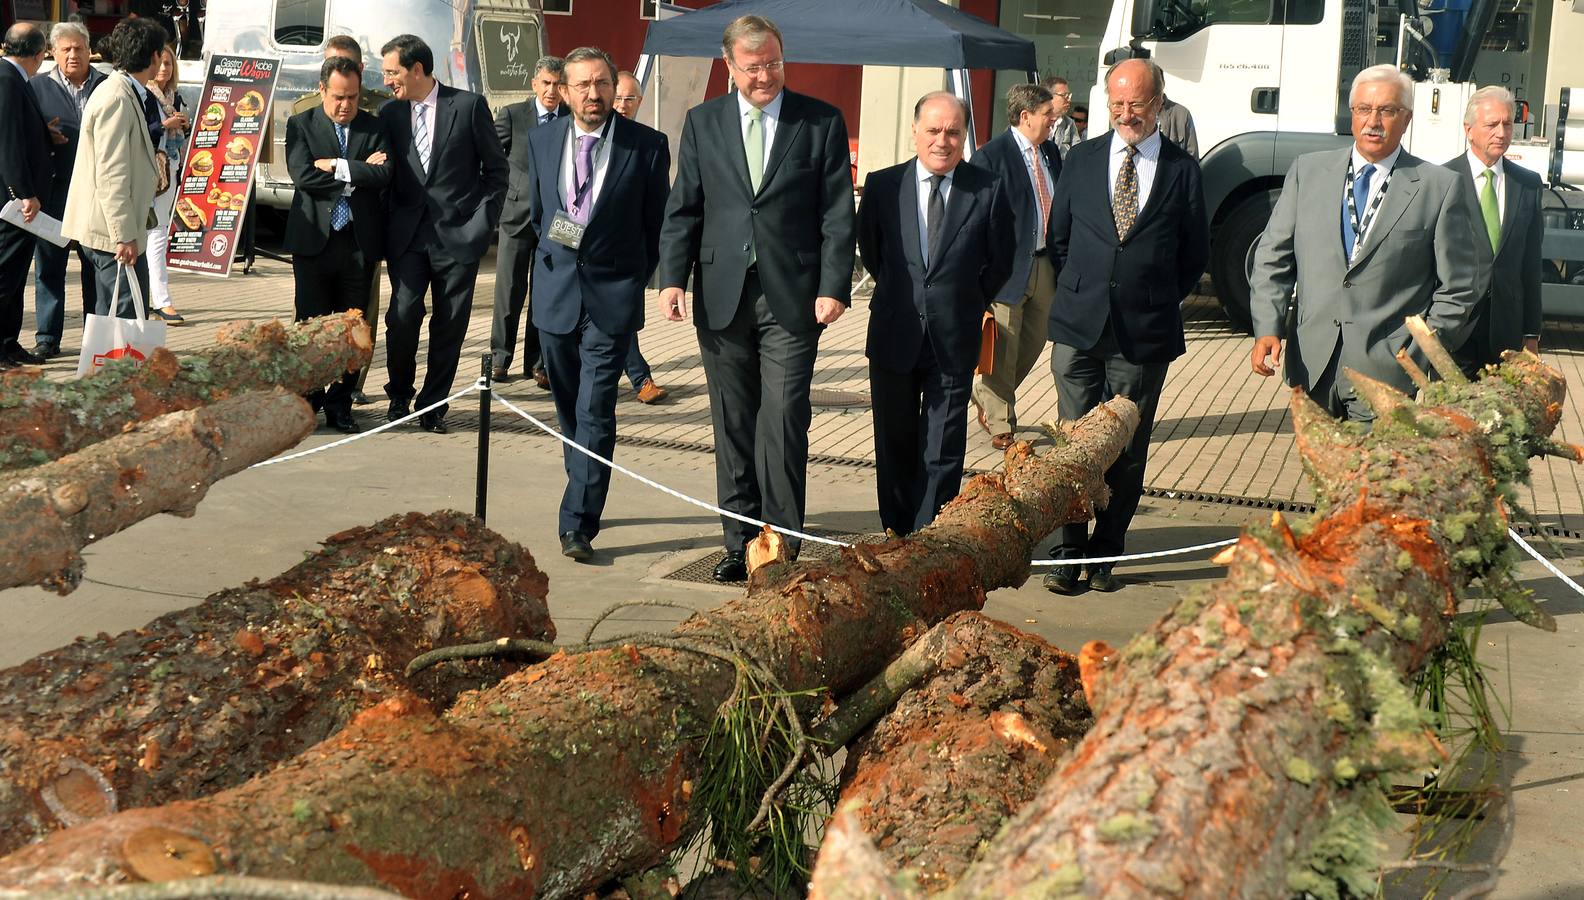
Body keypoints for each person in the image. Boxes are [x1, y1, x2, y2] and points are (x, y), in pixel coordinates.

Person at [658, 15, 856, 582]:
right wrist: (672, 278)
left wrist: (833, 286)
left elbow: (837, 213)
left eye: (773, 63)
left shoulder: (819, 122)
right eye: (753, 67)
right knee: (732, 420)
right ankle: (736, 538)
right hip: (722, 295)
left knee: (786, 417)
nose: (765, 75)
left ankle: (781, 540)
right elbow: (685, 207)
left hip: (792, 298)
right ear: (731, 68)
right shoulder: (703, 123)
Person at [1043, 58, 1209, 595]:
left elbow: (1192, 254)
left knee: (1127, 447)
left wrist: (1150, 294)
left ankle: (1106, 548)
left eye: (1136, 103)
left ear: (1159, 102)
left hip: (1143, 332)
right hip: (1078, 327)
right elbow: (1060, 237)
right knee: (1073, 442)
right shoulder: (1082, 160)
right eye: (1116, 104)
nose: (1125, 113)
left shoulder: (1183, 170)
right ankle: (1068, 550)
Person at [1249, 64, 1479, 422]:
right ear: (1351, 114)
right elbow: (1273, 258)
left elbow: (1460, 288)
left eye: (1387, 111)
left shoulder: (1439, 187)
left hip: (1386, 374)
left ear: (1406, 119)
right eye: (1364, 109)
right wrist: (1268, 326)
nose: (1374, 121)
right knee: (1320, 477)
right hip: (1312, 366)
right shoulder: (1307, 172)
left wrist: (1416, 353)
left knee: (1372, 479)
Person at [525, 47, 670, 560]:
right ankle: (583, 481)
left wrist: (634, 280)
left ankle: (578, 522)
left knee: (595, 407)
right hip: (556, 293)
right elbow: (543, 217)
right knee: (569, 408)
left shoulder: (647, 146)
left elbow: (657, 226)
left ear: (615, 88)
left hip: (612, 298)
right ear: (563, 92)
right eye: (582, 85)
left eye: (602, 84)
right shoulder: (541, 140)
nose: (593, 94)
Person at [858, 92, 1013, 534]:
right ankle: (896, 532)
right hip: (894, 332)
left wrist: (963, 299)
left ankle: (930, 538)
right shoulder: (883, 186)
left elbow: (1001, 259)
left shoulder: (986, 188)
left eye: (953, 131)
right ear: (914, 131)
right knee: (894, 443)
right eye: (933, 130)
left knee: (943, 447)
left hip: (955, 335)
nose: (942, 141)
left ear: (964, 136)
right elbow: (873, 252)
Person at [378, 33, 508, 434]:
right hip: (408, 238)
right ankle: (399, 395)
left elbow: (496, 173)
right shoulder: (390, 114)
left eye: (392, 72)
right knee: (402, 317)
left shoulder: (467, 107)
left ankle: (433, 405)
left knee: (449, 325)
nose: (386, 81)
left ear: (417, 69)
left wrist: (480, 226)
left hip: (458, 238)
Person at [284, 55, 391, 434]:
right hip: (314, 241)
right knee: (311, 326)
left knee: (351, 328)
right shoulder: (301, 125)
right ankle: (308, 398)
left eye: (352, 97)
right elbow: (303, 176)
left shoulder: (373, 127)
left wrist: (337, 165)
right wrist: (354, 176)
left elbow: (383, 174)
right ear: (322, 91)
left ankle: (341, 402)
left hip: (357, 244)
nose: (345, 106)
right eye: (338, 98)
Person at [971, 83, 1062, 451]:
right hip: (1006, 269)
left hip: (1044, 265)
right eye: (1047, 116)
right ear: (1025, 117)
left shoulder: (1052, 153)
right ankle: (1000, 423)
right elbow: (977, 219)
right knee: (1003, 345)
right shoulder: (992, 157)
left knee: (1034, 340)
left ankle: (987, 394)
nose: (1054, 121)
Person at [62, 17, 164, 322]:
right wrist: (123, 236)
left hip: (117, 231)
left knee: (120, 318)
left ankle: (111, 370)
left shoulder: (126, 92)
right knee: (124, 322)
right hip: (112, 234)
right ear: (155, 56)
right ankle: (118, 372)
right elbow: (111, 174)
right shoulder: (117, 97)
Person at [1445, 85, 1542, 374]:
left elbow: (1531, 265)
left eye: (1507, 124)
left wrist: (1532, 334)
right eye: (1491, 124)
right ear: (1469, 129)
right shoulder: (1441, 180)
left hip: (1507, 338)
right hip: (1455, 333)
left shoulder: (1528, 185)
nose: (1501, 132)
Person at [28, 21, 102, 361]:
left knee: (94, 268)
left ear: (90, 50)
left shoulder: (106, 84)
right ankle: (47, 337)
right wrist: (43, 134)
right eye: (66, 49)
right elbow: (23, 134)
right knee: (49, 268)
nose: (73, 54)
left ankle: (96, 336)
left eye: (79, 48)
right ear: (53, 53)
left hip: (95, 193)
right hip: (54, 192)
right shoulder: (36, 87)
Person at [491, 55, 565, 392]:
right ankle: (498, 357)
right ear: (534, 84)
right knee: (509, 289)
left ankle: (538, 363)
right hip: (517, 215)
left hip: (557, 221)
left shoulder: (571, 116)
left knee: (545, 293)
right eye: (545, 83)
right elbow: (491, 159)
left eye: (556, 84)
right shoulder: (513, 115)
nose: (551, 90)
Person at [609, 68, 668, 405]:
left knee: (622, 313)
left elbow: (660, 206)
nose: (622, 104)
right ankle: (640, 377)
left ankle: (640, 378)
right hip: (589, 249)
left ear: (640, 102)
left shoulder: (651, 144)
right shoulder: (588, 138)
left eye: (630, 98)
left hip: (634, 251)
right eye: (617, 97)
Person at [0, 22, 52, 369]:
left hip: (19, 197)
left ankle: (9, 341)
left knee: (17, 275)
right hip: (13, 200)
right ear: (39, 54)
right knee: (5, 276)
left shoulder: (15, 78)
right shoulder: (7, 80)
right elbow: (8, 143)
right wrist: (24, 193)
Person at [144, 43, 188, 325]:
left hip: (169, 169)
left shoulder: (173, 96)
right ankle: (162, 301)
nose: (164, 69)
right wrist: (166, 125)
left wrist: (183, 124)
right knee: (156, 235)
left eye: (168, 64)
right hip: (151, 171)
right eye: (159, 63)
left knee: (157, 233)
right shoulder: (146, 95)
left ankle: (153, 298)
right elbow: (142, 131)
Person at [1040, 74, 1080, 157]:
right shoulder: (1035, 120)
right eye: (1064, 95)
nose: (1069, 100)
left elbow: (1078, 152)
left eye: (1069, 95)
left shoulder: (1069, 123)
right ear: (1049, 96)